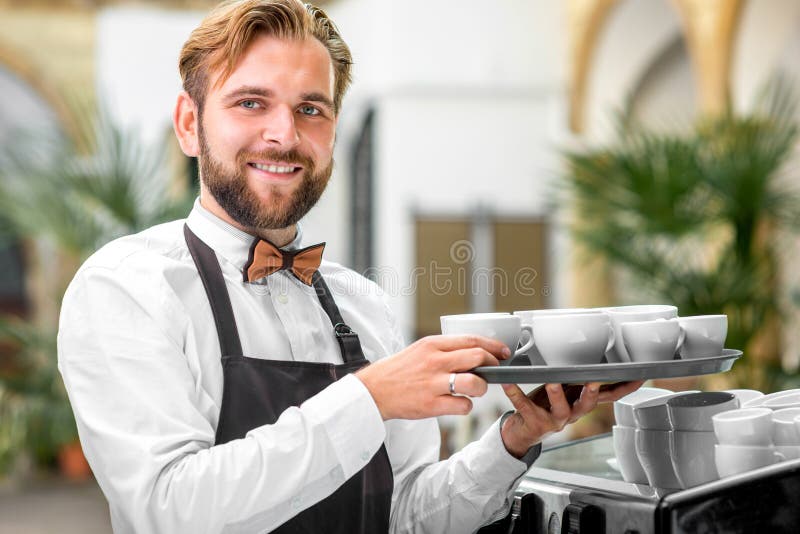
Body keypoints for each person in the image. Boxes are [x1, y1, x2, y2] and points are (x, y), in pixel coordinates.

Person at [57, 1, 642, 532]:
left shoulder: (363, 304)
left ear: (333, 131)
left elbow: (410, 515)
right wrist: (369, 396)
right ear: (189, 123)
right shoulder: (128, 287)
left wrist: (517, 437)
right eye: (250, 102)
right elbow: (168, 510)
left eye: (311, 109)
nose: (284, 135)